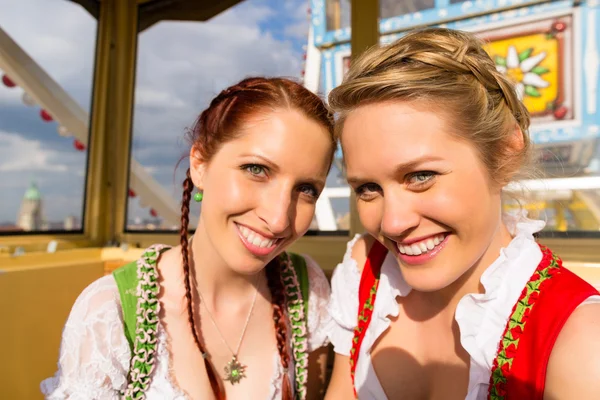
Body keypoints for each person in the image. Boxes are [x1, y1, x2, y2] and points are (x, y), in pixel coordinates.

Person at [324, 28, 600, 400]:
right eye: (368, 189)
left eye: (420, 176)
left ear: (504, 153)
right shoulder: (364, 270)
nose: (391, 224)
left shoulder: (581, 343)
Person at [41, 77, 336, 400]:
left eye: (306, 189)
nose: (279, 219)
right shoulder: (109, 315)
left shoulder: (307, 291)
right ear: (200, 165)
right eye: (256, 169)